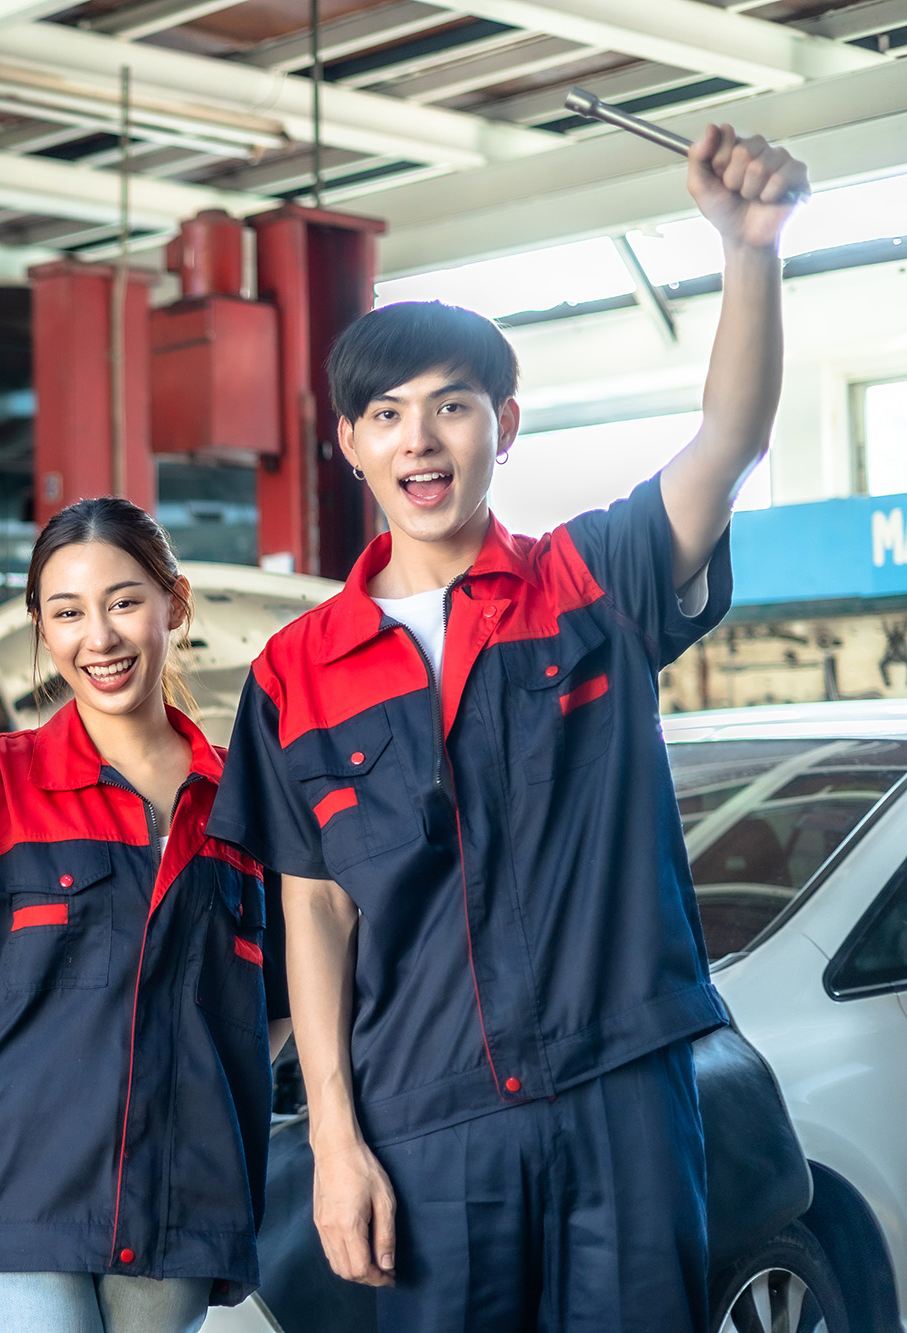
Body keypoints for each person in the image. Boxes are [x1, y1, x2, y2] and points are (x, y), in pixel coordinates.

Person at [210, 126, 808, 1332]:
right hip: (426, 1119)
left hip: (621, 1093)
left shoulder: (591, 581)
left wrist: (750, 253)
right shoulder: (294, 670)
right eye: (384, 414)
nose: (418, 439)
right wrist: (332, 1139)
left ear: (505, 424)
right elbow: (314, 913)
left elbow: (727, 444)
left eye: (451, 406)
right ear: (348, 446)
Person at [0, 497, 289, 1333]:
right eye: (67, 612)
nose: (100, 637)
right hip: (18, 1192)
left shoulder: (244, 803)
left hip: (176, 1200)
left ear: (176, 603)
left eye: (124, 601)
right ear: (42, 629)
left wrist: (198, 1100)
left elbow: (269, 1007)